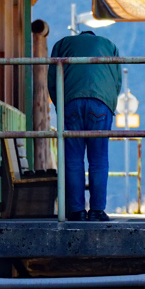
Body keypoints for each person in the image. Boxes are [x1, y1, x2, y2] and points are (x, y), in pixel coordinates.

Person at [48, 30, 122, 221]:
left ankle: (77, 211)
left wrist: (60, 106)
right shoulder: (109, 45)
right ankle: (97, 211)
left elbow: (52, 79)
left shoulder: (62, 44)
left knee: (73, 159)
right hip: (101, 104)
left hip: (70, 102)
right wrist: (109, 106)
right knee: (98, 159)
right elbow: (117, 81)